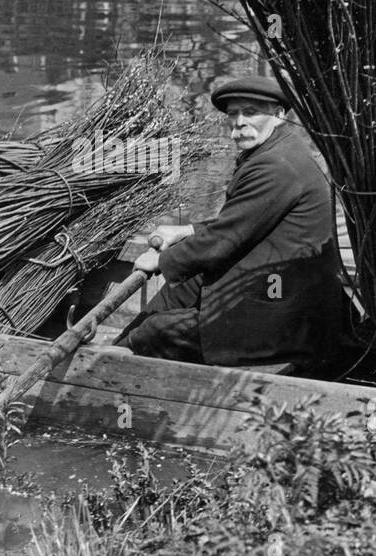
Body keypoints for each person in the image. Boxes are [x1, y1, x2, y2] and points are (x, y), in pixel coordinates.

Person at [115, 76, 348, 376]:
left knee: (157, 330)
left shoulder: (276, 166)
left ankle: (115, 359)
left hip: (282, 316)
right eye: (233, 114)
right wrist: (188, 231)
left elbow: (227, 238)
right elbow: (247, 219)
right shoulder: (279, 150)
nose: (238, 123)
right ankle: (123, 347)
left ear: (279, 114)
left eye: (250, 112)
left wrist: (161, 260)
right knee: (182, 286)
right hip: (275, 288)